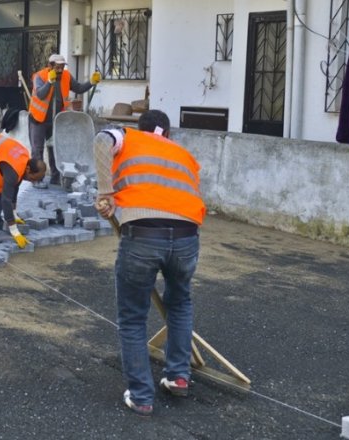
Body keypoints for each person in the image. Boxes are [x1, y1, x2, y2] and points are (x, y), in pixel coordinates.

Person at [93, 110, 206, 417]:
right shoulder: (182, 153)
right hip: (187, 236)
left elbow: (102, 139)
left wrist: (106, 193)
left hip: (142, 235)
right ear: (167, 134)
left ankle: (142, 396)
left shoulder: (127, 137)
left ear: (139, 128)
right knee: (180, 303)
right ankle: (178, 376)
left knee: (132, 317)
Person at [28, 53, 100, 187]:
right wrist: (49, 82)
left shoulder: (66, 76)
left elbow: (78, 88)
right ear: (50, 66)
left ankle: (55, 177)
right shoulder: (40, 76)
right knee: (37, 150)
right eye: (57, 67)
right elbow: (40, 95)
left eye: (62, 67)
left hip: (56, 120)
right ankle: (37, 179)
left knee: (55, 149)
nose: (60, 70)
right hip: (38, 119)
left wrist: (91, 82)